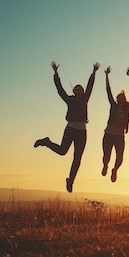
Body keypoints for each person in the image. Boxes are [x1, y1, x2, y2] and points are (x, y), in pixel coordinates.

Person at [34, 61, 100, 193]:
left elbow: (90, 86)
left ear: (83, 92)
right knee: (63, 151)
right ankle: (46, 142)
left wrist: (93, 73)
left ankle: (71, 180)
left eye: (81, 90)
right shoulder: (69, 99)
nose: (79, 91)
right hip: (70, 128)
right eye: (77, 90)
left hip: (82, 131)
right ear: (74, 91)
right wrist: (56, 74)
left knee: (78, 157)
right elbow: (60, 90)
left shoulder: (85, 99)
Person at [101, 66, 129, 183]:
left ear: (125, 100)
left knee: (120, 157)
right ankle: (105, 165)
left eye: (122, 98)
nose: (120, 100)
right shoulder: (114, 106)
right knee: (106, 155)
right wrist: (106, 76)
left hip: (120, 136)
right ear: (117, 100)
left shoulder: (127, 109)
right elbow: (108, 91)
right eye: (119, 98)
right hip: (109, 133)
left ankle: (115, 170)